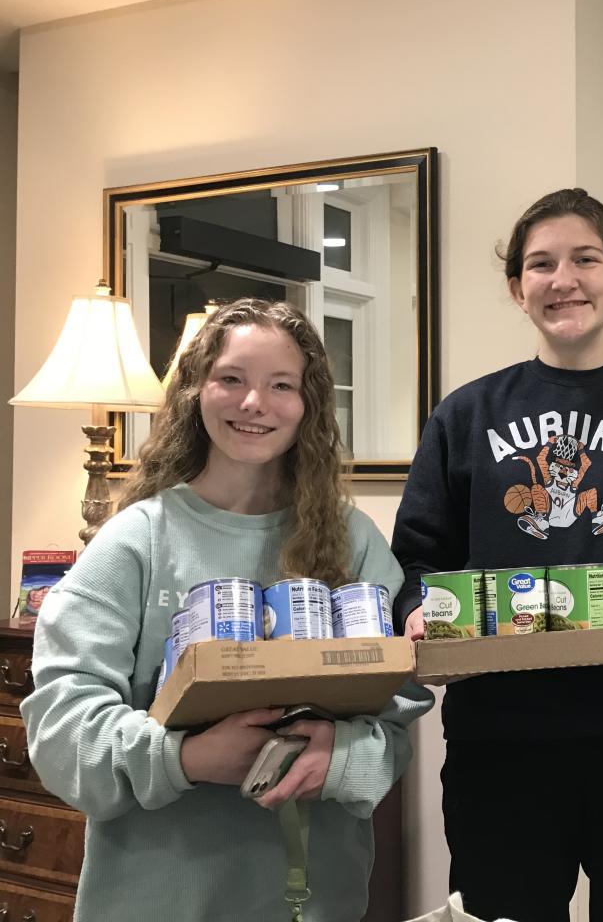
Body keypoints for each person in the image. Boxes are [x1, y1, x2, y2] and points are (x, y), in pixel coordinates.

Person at [21, 299, 433, 922]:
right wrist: (185, 759)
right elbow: (60, 731)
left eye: (281, 385)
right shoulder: (135, 540)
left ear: (309, 404)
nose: (253, 402)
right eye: (231, 378)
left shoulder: (354, 542)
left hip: (312, 899)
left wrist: (340, 755)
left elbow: (398, 716)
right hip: (152, 900)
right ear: (196, 391)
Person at [391, 188, 603, 922]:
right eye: (540, 264)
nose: (562, 279)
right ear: (518, 288)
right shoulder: (464, 416)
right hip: (500, 741)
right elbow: (415, 563)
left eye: (585, 259)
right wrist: (418, 612)